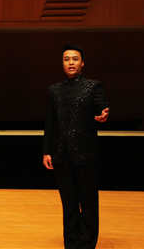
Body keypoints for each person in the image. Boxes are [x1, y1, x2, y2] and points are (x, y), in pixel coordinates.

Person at [43, 44, 109, 249]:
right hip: (61, 155)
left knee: (88, 203)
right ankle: (71, 243)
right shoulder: (54, 90)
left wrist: (103, 114)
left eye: (75, 59)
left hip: (86, 154)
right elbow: (50, 123)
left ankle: (87, 243)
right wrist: (46, 151)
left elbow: (101, 107)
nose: (70, 62)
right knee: (69, 204)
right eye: (66, 59)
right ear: (62, 63)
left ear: (82, 63)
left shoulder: (93, 86)